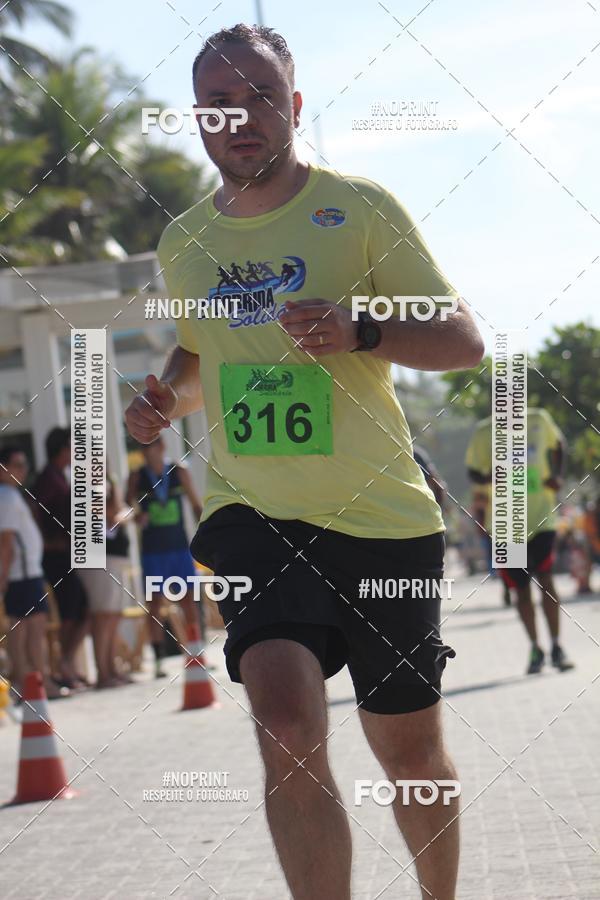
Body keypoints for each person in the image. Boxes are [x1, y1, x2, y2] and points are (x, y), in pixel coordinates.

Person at [125, 24, 484, 900]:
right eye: (218, 101)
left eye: (257, 96)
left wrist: (363, 330)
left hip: (380, 519)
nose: (238, 115)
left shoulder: (359, 209)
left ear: (291, 107)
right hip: (255, 514)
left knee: (409, 750)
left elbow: (463, 341)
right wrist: (166, 398)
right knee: (286, 727)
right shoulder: (184, 243)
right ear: (197, 118)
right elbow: (205, 355)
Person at [466, 407, 574, 674]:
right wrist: (488, 479)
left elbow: (560, 444)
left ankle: (558, 646)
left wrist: (557, 475)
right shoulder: (484, 431)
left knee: (546, 579)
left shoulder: (538, 418)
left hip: (542, 520)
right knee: (521, 589)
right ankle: (536, 648)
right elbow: (473, 472)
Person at [126, 436, 203, 678]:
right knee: (155, 604)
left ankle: (196, 652)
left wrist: (207, 532)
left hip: (179, 547)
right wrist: (136, 516)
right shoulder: (137, 476)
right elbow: (127, 506)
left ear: (162, 446)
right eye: (142, 447)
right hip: (152, 551)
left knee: (188, 601)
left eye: (150, 446)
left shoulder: (178, 471)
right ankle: (159, 660)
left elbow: (195, 504)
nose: (146, 451)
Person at [0, 445, 68, 700]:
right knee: (30, 629)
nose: (23, 470)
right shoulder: (6, 496)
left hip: (24, 572)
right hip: (23, 573)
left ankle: (27, 682)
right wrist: (4, 577)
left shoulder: (10, 495)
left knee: (22, 629)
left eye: (24, 465)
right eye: (17, 465)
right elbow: (6, 541)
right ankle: (37, 682)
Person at [33, 427, 89, 689]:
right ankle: (61, 667)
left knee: (81, 610)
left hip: (65, 555)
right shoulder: (47, 479)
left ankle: (65, 662)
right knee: (68, 612)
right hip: (54, 557)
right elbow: (36, 510)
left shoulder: (60, 476)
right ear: (61, 449)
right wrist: (44, 542)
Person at [77, 465, 132, 688]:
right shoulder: (84, 486)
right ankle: (103, 673)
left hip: (115, 555)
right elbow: (107, 512)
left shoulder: (108, 483)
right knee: (102, 616)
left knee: (113, 615)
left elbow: (123, 511)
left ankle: (111, 668)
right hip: (98, 556)